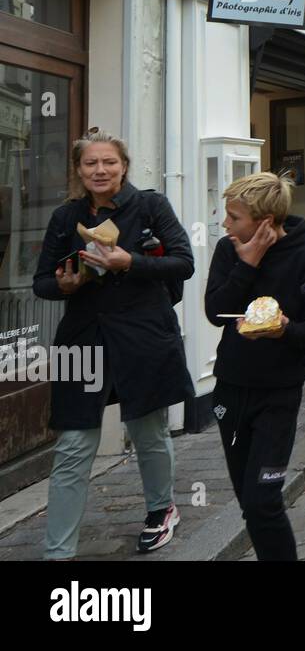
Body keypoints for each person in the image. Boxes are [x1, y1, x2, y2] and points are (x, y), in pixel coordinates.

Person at [33, 129, 194, 559]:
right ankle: (58, 553)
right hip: (81, 340)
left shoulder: (151, 206)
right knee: (71, 445)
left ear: (123, 165)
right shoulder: (66, 218)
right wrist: (65, 285)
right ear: (79, 170)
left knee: (148, 430)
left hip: (144, 334)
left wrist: (130, 262)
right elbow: (41, 283)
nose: (100, 170)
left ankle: (162, 510)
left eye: (108, 162)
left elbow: (185, 262)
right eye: (90, 164)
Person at [204, 172, 305, 560]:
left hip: (278, 394)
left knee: (263, 500)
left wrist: (283, 332)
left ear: (263, 221)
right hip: (230, 390)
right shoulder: (229, 250)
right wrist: (247, 264)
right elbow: (215, 312)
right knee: (249, 501)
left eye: (233, 217)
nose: (225, 224)